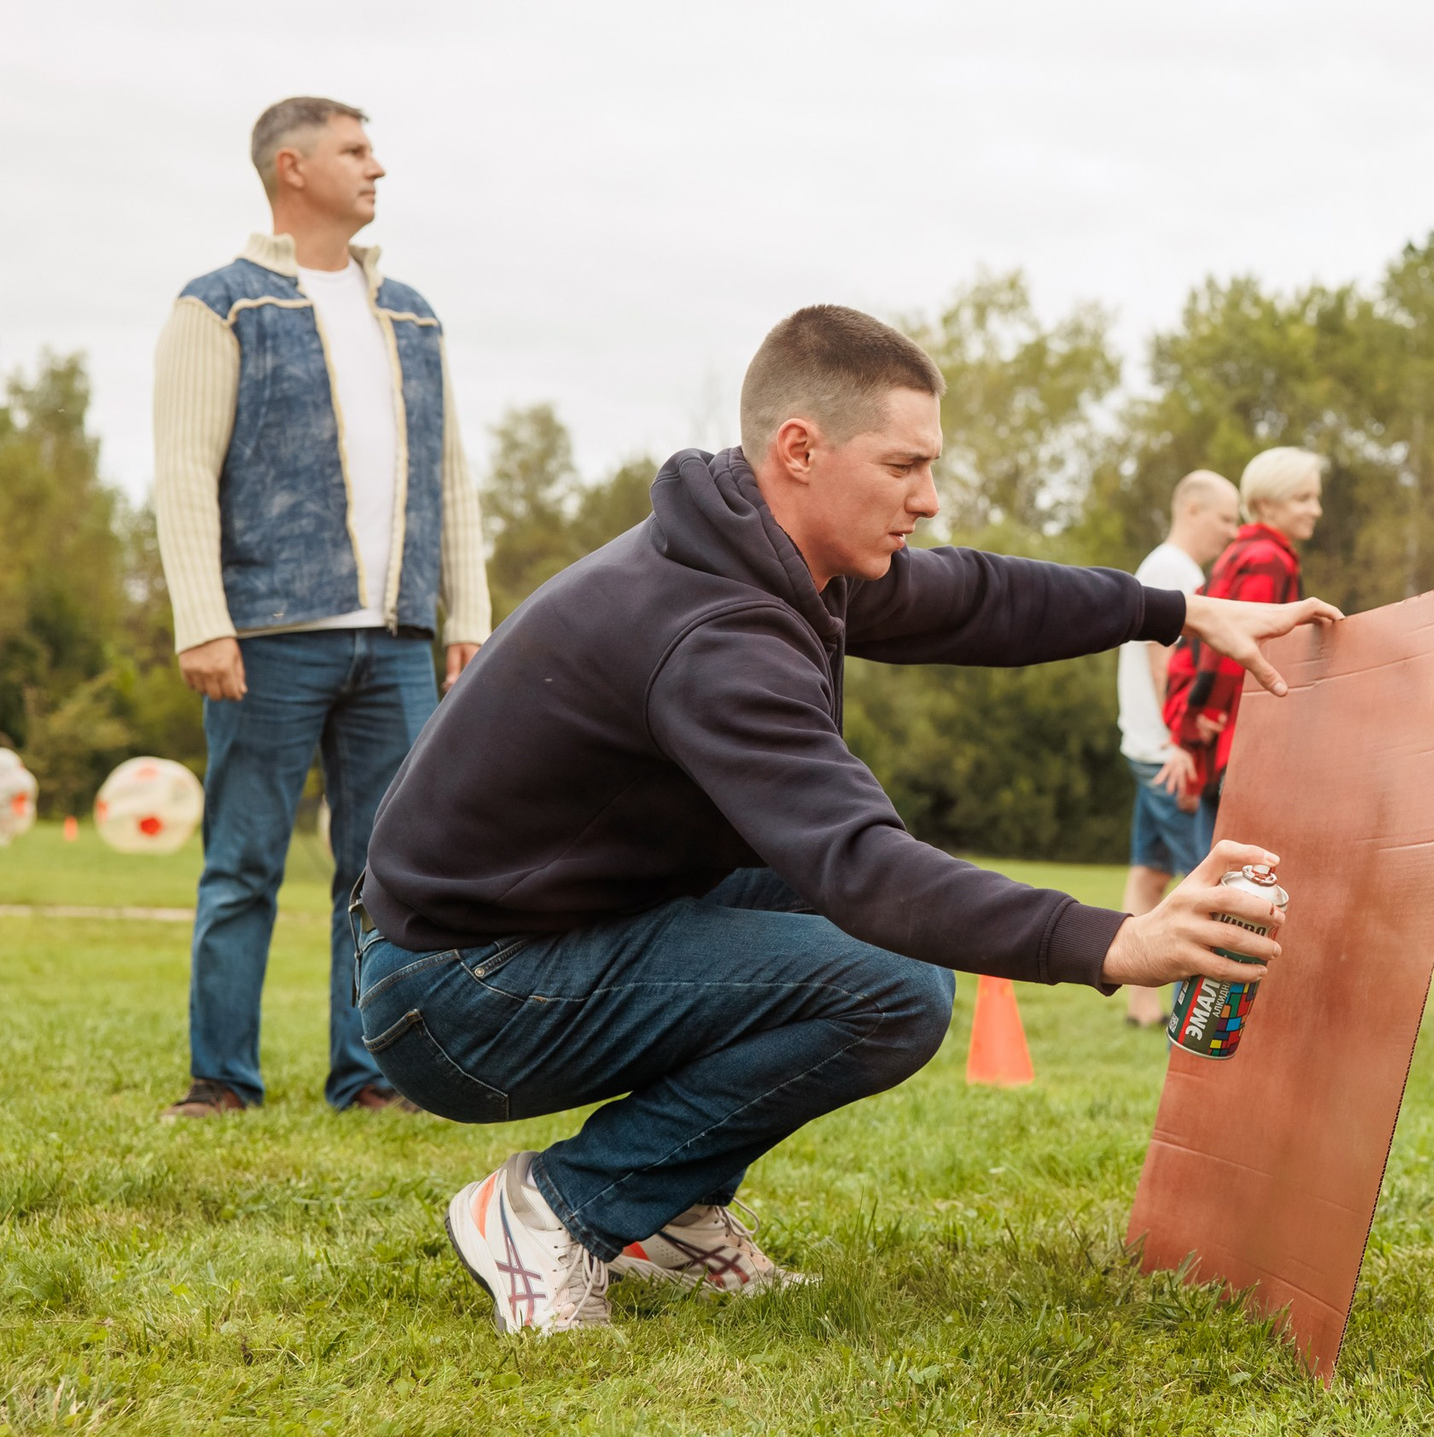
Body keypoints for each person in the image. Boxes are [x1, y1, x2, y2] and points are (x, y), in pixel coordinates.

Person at [354, 306, 1336, 1333]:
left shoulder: (765, 556)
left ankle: (671, 1215)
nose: (929, 497)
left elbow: (972, 597)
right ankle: (553, 1208)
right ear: (800, 450)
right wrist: (1115, 940)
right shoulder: (714, 629)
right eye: (905, 465)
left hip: (522, 937)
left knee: (837, 911)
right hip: (462, 992)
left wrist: (1176, 614)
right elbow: (864, 867)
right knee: (895, 984)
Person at [153, 97, 490, 1120]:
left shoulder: (415, 314)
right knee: (242, 865)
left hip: (394, 639)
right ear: (291, 168)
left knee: (386, 872)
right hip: (265, 637)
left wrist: (464, 614)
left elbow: (452, 478)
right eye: (355, 150)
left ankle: (372, 1077)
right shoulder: (220, 305)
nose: (376, 167)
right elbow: (181, 471)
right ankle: (222, 1081)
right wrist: (201, 619)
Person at [1117, 469, 1240, 1028]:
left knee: (1149, 871)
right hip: (1167, 752)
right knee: (1203, 875)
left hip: (1149, 743)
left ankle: (1139, 1005)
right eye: (1225, 517)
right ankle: (1195, 1008)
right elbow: (1166, 662)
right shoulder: (1175, 569)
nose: (1233, 530)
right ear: (1191, 509)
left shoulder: (1163, 566)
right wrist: (1183, 744)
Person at [1162, 446, 1326, 846]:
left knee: (1212, 869)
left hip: (1221, 745)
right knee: (1240, 883)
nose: (1316, 510)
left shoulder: (1234, 554)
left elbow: (1191, 640)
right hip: (1241, 748)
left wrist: (1189, 725)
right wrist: (1201, 720)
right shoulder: (1269, 560)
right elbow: (1233, 650)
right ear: (1266, 506)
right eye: (1303, 498)